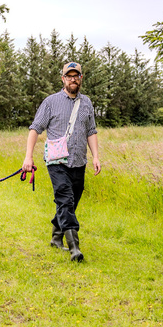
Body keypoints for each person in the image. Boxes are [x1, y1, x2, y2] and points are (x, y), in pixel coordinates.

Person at [22, 61, 101, 262]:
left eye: (76, 76)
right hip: (56, 161)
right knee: (65, 199)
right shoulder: (50, 102)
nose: (73, 79)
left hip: (79, 161)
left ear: (81, 78)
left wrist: (96, 157)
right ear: (62, 79)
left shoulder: (87, 103)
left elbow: (91, 131)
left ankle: (56, 237)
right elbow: (35, 129)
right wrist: (28, 157)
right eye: (69, 76)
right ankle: (74, 247)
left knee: (72, 200)